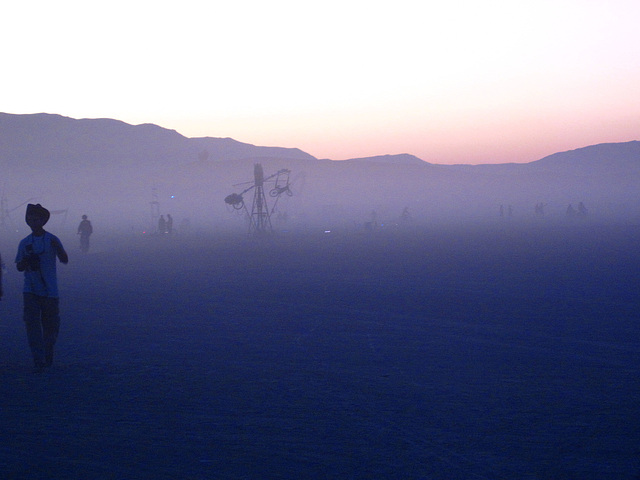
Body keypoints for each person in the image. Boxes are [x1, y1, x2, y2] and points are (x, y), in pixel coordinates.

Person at [15, 204, 68, 372]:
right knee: (32, 326)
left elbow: (64, 259)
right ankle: (39, 360)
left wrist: (58, 247)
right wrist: (27, 261)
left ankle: (47, 355)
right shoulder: (25, 242)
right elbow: (19, 267)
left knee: (51, 327)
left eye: (35, 218)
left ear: (43, 220)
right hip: (30, 290)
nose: (32, 221)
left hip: (50, 291)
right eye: (29, 218)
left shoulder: (52, 239)